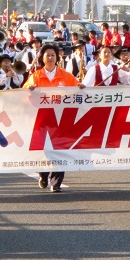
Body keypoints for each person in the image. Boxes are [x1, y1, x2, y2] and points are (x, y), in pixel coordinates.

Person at [23, 43, 79, 193]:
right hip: (42, 119)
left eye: (53, 55)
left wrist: (81, 87)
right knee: (44, 150)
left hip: (61, 119)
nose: (50, 57)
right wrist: (30, 91)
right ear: (42, 58)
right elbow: (23, 94)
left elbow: (77, 89)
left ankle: (56, 182)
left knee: (60, 149)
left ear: (57, 58)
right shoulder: (35, 76)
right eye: (47, 55)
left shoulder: (66, 76)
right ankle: (43, 174)